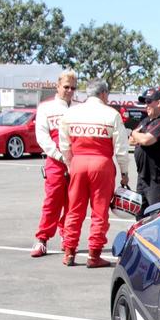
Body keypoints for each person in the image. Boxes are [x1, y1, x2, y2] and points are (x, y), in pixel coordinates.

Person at [59, 79, 130, 268]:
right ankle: (94, 255)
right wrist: (124, 172)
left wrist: (70, 165)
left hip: (78, 163)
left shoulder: (71, 113)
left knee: (74, 210)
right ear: (104, 94)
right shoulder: (111, 114)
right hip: (102, 164)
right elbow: (122, 148)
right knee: (99, 212)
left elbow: (64, 145)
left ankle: (69, 252)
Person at [30, 70, 78, 258]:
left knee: (73, 202)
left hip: (76, 162)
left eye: (73, 88)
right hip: (56, 161)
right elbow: (42, 137)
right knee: (52, 201)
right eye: (66, 87)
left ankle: (67, 237)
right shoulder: (45, 107)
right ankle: (42, 239)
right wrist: (60, 156)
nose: (69, 91)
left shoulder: (79, 107)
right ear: (58, 86)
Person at [129, 90, 160, 214]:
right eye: (144, 102)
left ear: (159, 103)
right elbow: (131, 141)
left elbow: (146, 139)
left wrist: (135, 133)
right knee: (140, 216)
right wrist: (137, 136)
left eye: (149, 102)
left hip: (157, 180)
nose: (146, 105)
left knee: (156, 217)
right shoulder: (146, 121)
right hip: (143, 177)